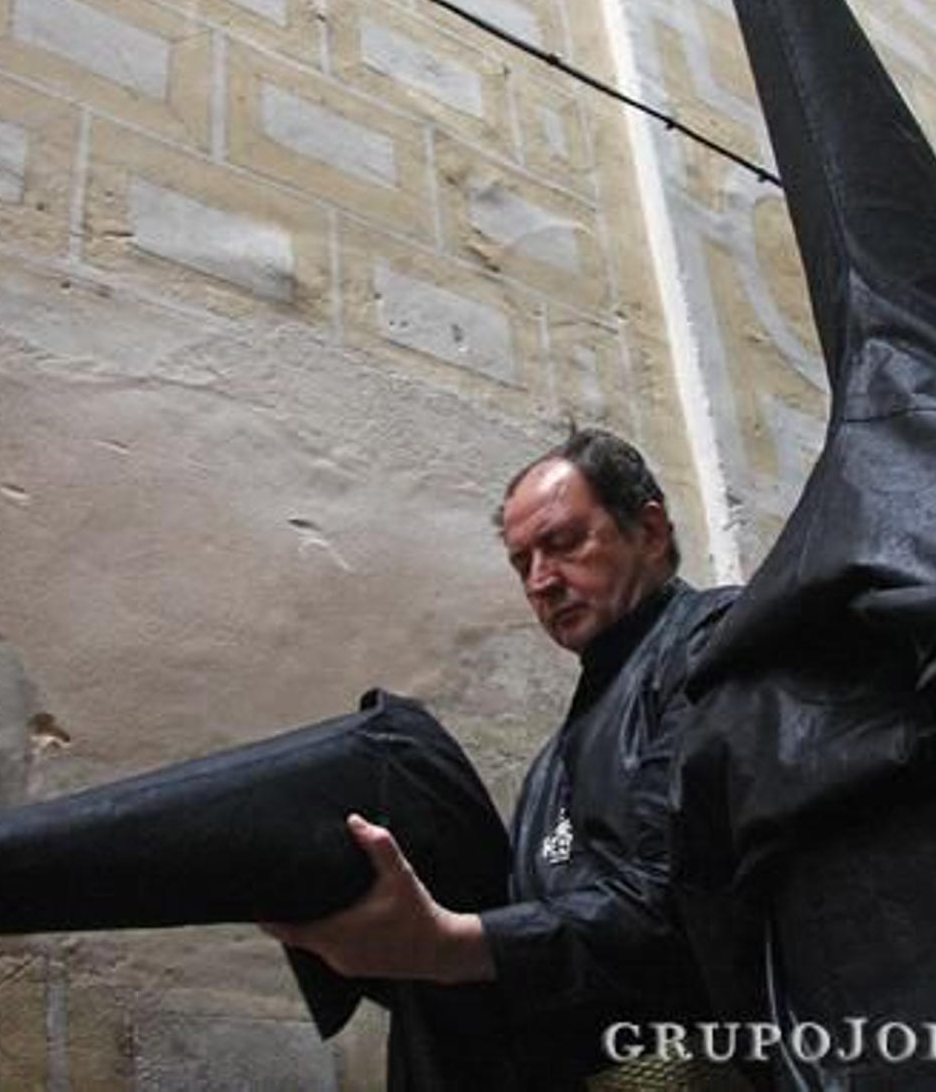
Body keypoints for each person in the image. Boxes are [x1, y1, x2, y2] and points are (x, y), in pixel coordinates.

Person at [265, 427, 740, 1086]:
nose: (542, 581)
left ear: (651, 531)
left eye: (564, 542)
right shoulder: (554, 760)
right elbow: (535, 934)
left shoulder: (716, 644)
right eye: (523, 563)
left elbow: (675, 906)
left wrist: (452, 945)